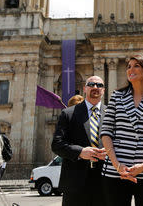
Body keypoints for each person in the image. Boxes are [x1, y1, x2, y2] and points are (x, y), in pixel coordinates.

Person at [101, 55, 143, 206]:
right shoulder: (116, 96)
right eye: (129, 66)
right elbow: (106, 132)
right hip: (115, 171)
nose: (130, 69)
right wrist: (117, 165)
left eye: (136, 65)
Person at [52, 76, 107, 206]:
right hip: (75, 184)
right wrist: (80, 152)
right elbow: (57, 144)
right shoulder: (68, 113)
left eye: (99, 85)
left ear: (103, 90)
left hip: (105, 184)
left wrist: (110, 153)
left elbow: (119, 143)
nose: (95, 87)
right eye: (91, 84)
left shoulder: (112, 114)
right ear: (84, 88)